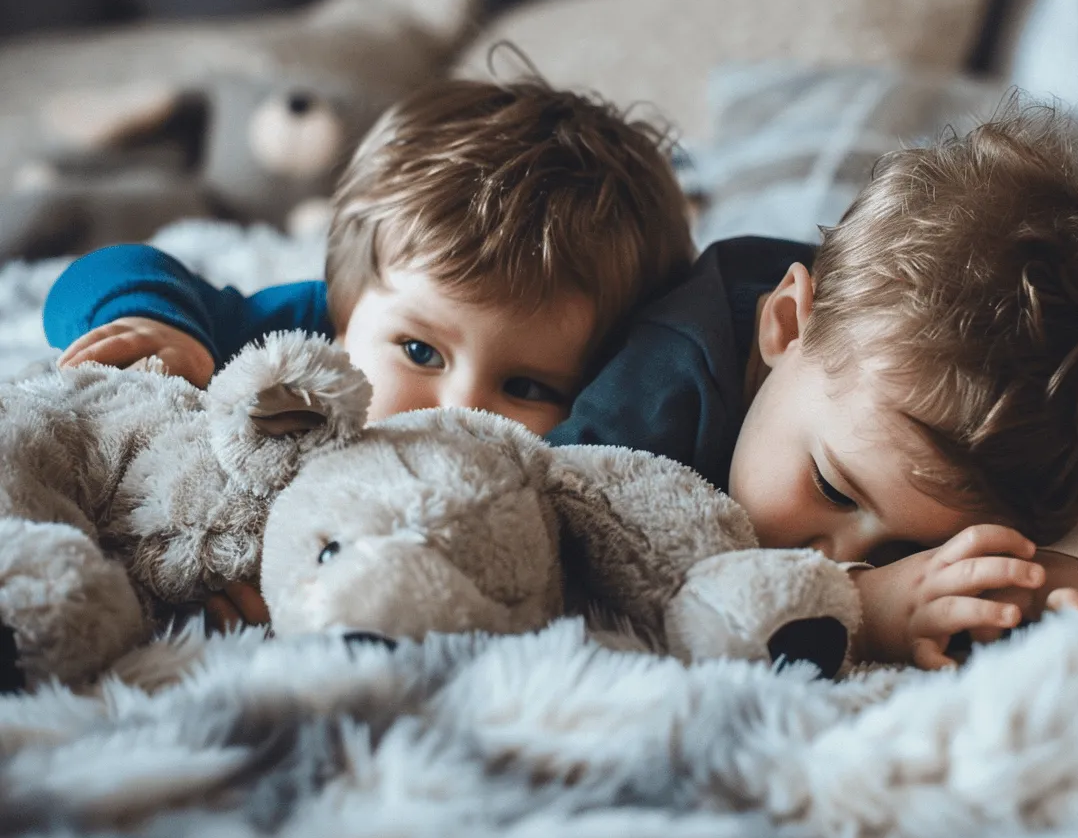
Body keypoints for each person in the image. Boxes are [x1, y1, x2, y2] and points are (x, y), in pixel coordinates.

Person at [547, 101, 1078, 669]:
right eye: (834, 487)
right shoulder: (663, 384)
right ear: (786, 326)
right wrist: (862, 608)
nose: (838, 558)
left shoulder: (1014, 400)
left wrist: (1074, 579)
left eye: (910, 551)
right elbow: (566, 539)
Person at [43, 75, 695, 627]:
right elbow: (99, 273)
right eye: (419, 351)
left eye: (526, 388)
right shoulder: (304, 331)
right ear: (346, 312)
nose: (458, 412)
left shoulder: (580, 459)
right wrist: (156, 326)